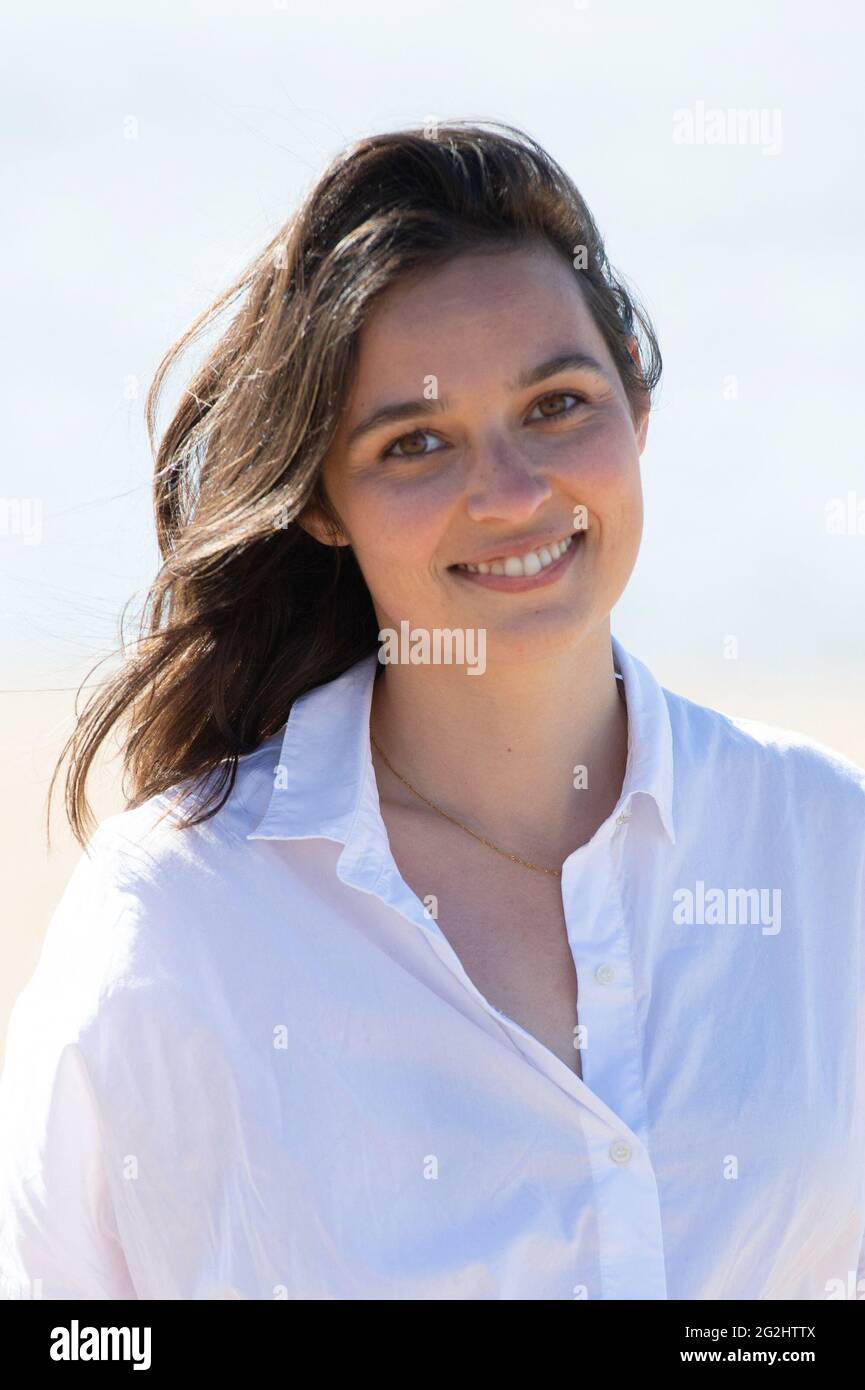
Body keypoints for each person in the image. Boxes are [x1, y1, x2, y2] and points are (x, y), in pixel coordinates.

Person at [1, 121, 863, 1302]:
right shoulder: (182, 926)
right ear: (321, 504)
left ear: (637, 413)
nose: (509, 492)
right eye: (414, 443)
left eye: (557, 404)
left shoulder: (825, 848)